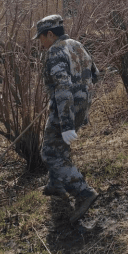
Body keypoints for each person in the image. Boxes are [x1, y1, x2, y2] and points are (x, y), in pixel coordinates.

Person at [33, 14, 99, 223]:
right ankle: (56, 185)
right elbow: (95, 74)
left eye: (41, 38)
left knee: (51, 153)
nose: (40, 43)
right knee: (57, 146)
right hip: (80, 107)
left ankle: (83, 192)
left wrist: (66, 123)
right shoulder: (77, 44)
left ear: (50, 34)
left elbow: (63, 87)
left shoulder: (55, 51)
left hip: (65, 109)